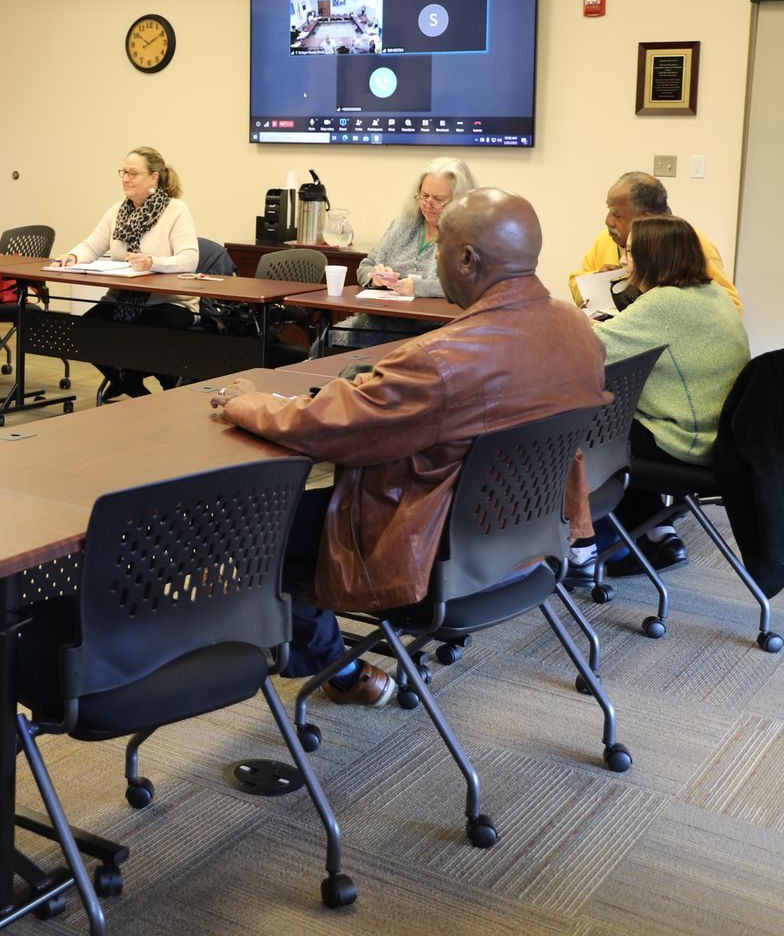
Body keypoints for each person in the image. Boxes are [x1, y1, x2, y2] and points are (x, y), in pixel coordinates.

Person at [211, 188, 608, 707]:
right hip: (525, 541)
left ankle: (342, 669)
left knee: (261, 527)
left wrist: (248, 402)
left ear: (466, 259)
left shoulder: (440, 359)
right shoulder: (578, 328)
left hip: (432, 551)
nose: (434, 256)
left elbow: (325, 429)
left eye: (440, 245)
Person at [592, 214, 751, 577]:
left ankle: (584, 551)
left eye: (629, 254)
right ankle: (657, 531)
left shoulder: (663, 305)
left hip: (690, 440)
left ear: (653, 258)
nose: (622, 262)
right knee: (621, 416)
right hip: (724, 433)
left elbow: (591, 347)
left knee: (592, 427)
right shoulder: (712, 293)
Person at [56, 146, 198, 400]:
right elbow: (92, 245)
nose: (125, 178)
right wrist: (73, 256)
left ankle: (164, 384)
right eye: (123, 172)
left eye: (133, 173)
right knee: (81, 332)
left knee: (139, 335)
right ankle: (136, 391)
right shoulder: (117, 211)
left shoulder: (176, 210)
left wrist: (152, 262)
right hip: (122, 299)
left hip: (168, 303)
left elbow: (190, 260)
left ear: (154, 177)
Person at [331, 156, 476, 346]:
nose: (428, 204)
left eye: (439, 199)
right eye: (424, 196)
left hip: (432, 332)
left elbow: (467, 285)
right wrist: (375, 277)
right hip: (379, 321)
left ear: (460, 201)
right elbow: (365, 266)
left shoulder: (468, 236)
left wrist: (417, 288)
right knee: (330, 340)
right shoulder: (405, 223)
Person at [570, 171, 742, 315]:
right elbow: (576, 283)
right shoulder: (606, 239)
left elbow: (731, 307)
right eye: (608, 210)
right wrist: (598, 280)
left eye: (617, 214)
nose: (608, 221)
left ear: (646, 218)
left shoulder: (691, 244)